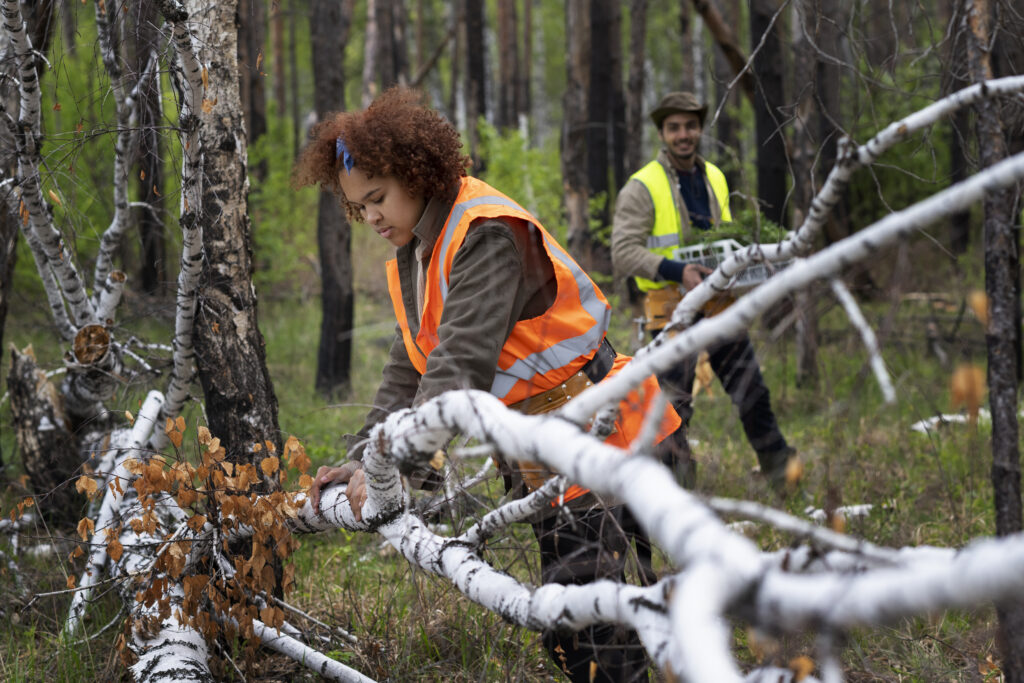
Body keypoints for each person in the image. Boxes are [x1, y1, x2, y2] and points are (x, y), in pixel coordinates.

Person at [293, 86, 686, 683]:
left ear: (415, 173)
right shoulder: (418, 247)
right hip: (548, 450)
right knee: (576, 628)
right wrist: (364, 461)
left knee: (588, 634)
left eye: (377, 199)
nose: (370, 217)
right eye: (357, 207)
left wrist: (397, 465)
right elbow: (411, 365)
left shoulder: (484, 234)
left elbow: (458, 366)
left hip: (604, 432)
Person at [611, 91, 797, 485]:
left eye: (691, 126)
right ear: (662, 133)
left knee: (750, 388)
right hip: (670, 307)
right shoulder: (641, 186)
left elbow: (724, 239)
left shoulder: (714, 176)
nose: (684, 135)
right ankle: (677, 489)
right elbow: (623, 252)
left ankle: (781, 472)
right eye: (674, 127)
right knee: (673, 407)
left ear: (700, 129)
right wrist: (679, 271)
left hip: (716, 302)